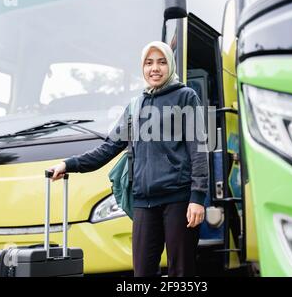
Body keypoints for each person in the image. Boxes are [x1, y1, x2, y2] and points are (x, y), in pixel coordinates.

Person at [48, 41, 209, 277]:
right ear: (142, 68)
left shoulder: (185, 97)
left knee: (181, 272)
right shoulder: (135, 106)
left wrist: (197, 197)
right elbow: (109, 147)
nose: (155, 68)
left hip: (179, 200)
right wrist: (68, 164)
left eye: (162, 62)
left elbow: (198, 149)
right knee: (141, 273)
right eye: (149, 63)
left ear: (170, 65)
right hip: (144, 202)